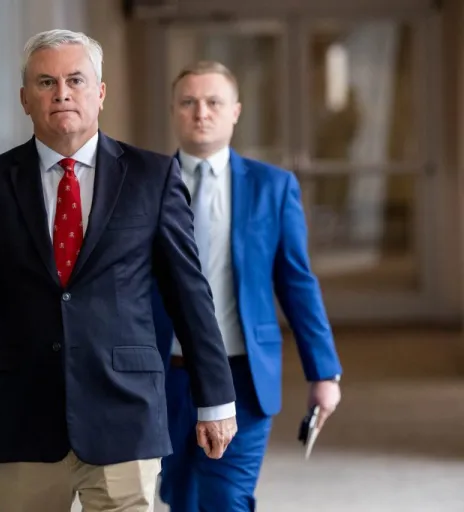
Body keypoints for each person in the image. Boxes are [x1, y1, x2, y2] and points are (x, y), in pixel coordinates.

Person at [0, 31, 238, 512]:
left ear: (100, 92)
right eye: (46, 82)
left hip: (125, 411)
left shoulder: (152, 177)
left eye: (75, 79)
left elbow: (189, 294)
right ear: (25, 98)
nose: (62, 93)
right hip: (23, 414)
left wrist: (214, 398)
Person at [153, 60, 343, 512]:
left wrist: (324, 372)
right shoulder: (145, 183)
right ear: (175, 111)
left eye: (213, 102)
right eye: (189, 102)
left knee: (227, 497)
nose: (202, 112)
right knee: (179, 494)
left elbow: (297, 282)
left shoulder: (272, 187)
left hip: (244, 372)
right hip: (166, 372)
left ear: (235, 111)